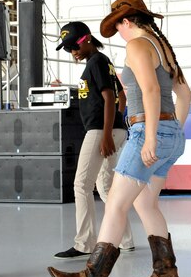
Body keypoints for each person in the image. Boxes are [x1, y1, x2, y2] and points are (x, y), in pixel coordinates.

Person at [48, 0, 191, 277]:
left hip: (146, 132)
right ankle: (166, 272)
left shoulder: (138, 45)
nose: (119, 35)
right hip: (171, 134)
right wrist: (171, 130)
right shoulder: (163, 48)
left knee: (115, 203)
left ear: (127, 22)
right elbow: (185, 93)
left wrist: (151, 137)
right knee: (146, 204)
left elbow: (151, 91)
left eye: (118, 28)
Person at [52, 21, 134, 260]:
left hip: (101, 131)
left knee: (81, 186)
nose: (72, 52)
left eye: (74, 47)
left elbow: (110, 97)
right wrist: (118, 122)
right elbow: (120, 93)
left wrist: (108, 132)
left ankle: (84, 242)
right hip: (111, 129)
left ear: (86, 39)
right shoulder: (102, 62)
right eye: (67, 49)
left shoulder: (97, 62)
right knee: (106, 187)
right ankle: (125, 239)